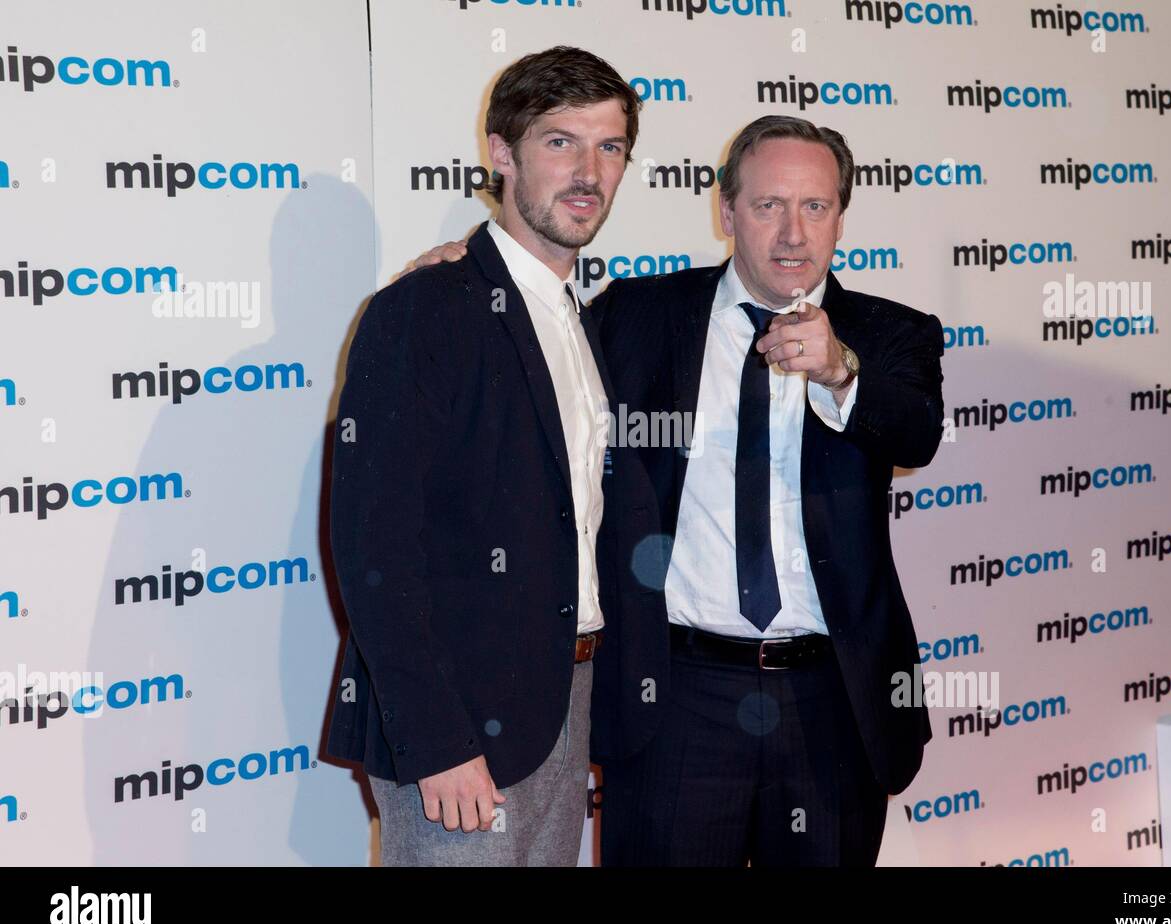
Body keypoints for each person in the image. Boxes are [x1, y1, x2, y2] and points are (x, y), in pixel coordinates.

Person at [415, 114, 945, 866]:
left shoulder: (889, 333)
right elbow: (534, 361)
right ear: (726, 213)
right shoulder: (639, 316)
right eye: (767, 207)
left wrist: (840, 371)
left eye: (815, 208)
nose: (793, 234)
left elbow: (916, 429)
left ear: (840, 216)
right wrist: (466, 282)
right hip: (676, 699)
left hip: (834, 702)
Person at [323, 46, 652, 866]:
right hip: (458, 719)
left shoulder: (579, 320)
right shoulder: (424, 311)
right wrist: (434, 739)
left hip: (564, 697)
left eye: (609, 148)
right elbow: (373, 544)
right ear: (501, 154)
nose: (588, 171)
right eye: (560, 142)